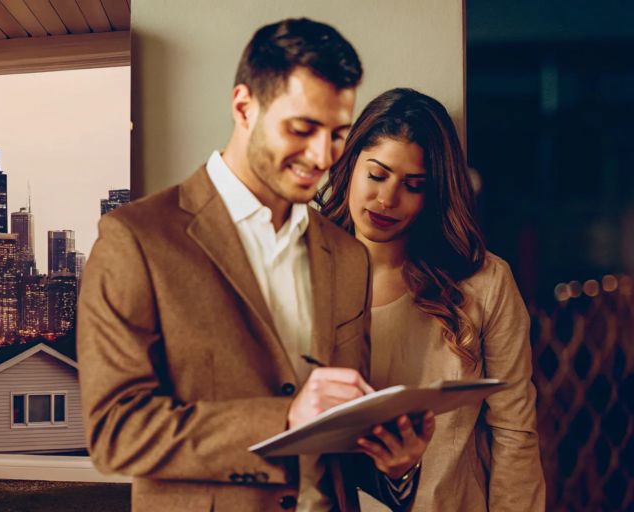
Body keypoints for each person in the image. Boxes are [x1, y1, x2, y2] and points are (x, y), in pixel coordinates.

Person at [77, 19, 434, 512]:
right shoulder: (135, 239)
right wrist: (283, 418)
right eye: (303, 128)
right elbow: (116, 432)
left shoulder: (349, 257)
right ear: (244, 106)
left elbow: (339, 436)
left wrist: (396, 465)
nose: (322, 156)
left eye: (336, 135)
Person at [316, 88, 546, 511]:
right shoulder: (297, 267)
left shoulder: (485, 283)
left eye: (413, 185)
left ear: (435, 193)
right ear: (348, 166)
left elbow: (515, 431)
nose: (387, 199)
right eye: (378, 175)